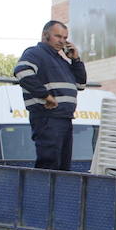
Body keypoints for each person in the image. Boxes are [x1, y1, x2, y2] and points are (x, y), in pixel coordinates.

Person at [14, 20, 87, 170]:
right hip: (47, 117)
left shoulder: (62, 60)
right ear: (45, 35)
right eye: (58, 36)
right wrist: (46, 96)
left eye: (65, 38)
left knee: (63, 167)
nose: (62, 41)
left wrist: (76, 60)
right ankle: (43, 193)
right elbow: (22, 72)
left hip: (64, 118)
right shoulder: (35, 53)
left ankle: (56, 193)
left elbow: (80, 85)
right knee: (49, 165)